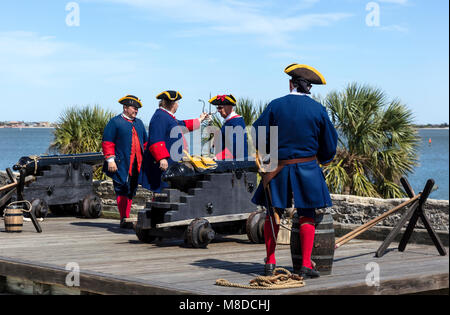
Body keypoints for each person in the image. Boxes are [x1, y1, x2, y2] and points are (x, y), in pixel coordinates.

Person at [252, 64, 338, 278]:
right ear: (309, 87)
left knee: (273, 213)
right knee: (307, 214)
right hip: (307, 168)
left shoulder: (275, 105)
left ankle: (270, 261)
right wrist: (323, 156)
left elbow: (258, 133)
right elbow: (329, 143)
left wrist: (270, 156)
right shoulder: (318, 109)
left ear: (290, 83)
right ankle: (306, 264)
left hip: (277, 168)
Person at [140, 90, 209, 192]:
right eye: (177, 103)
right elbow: (155, 139)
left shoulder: (166, 116)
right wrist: (162, 158)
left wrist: (200, 120)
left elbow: (182, 125)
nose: (178, 105)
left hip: (170, 162)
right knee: (161, 192)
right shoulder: (160, 116)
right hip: (164, 163)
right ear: (173, 104)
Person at [102, 95, 148, 229]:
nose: (136, 111)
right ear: (125, 107)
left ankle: (126, 217)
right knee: (121, 189)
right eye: (134, 108)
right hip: (121, 164)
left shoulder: (139, 123)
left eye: (137, 109)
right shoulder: (115, 122)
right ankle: (124, 218)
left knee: (131, 190)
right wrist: (110, 160)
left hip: (136, 164)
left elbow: (145, 142)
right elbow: (107, 142)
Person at [209, 94, 248, 160]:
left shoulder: (236, 122)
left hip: (236, 164)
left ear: (228, 107)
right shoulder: (230, 121)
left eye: (220, 108)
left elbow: (235, 147)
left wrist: (217, 157)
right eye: (217, 108)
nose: (218, 110)